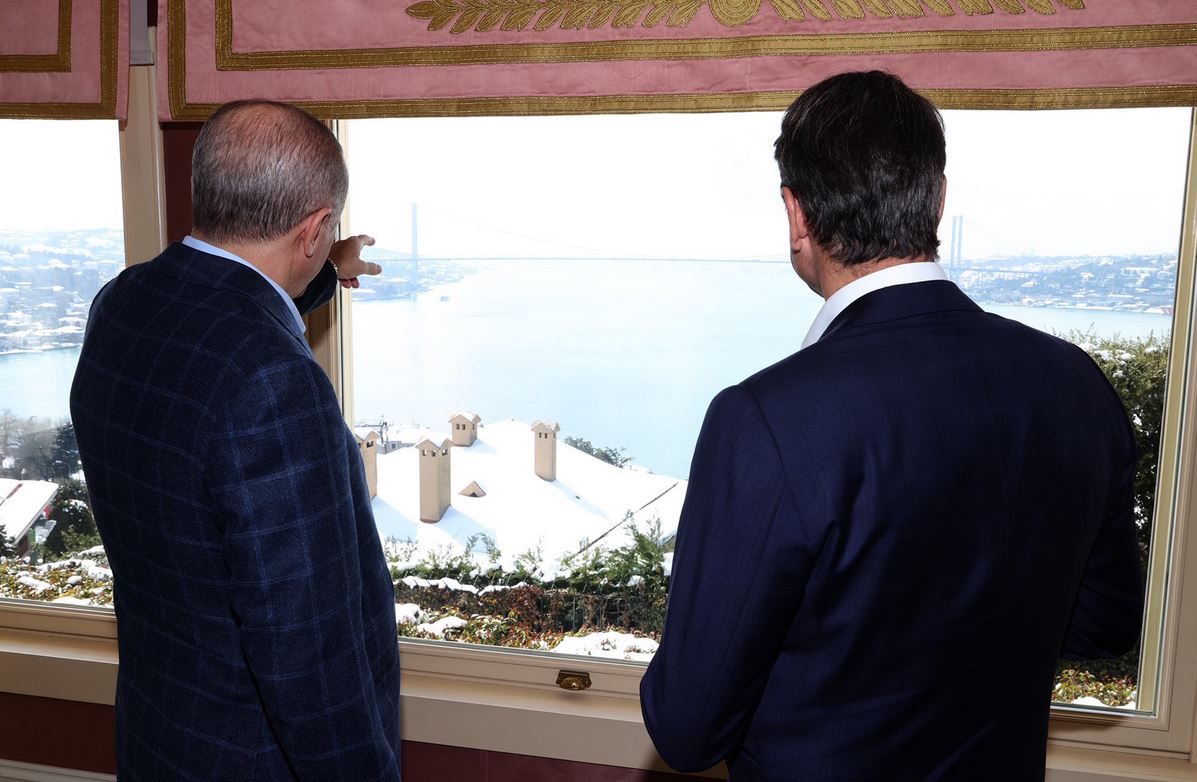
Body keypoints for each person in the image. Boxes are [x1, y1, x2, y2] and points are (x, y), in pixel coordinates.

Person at [640, 71, 1143, 781]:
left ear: (796, 213)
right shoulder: (1075, 382)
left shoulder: (767, 420)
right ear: (937, 200)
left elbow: (688, 729)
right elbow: (1105, 624)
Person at [70, 100, 402, 781]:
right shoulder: (276, 384)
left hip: (159, 737)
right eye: (325, 232)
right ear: (312, 230)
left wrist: (323, 269)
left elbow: (216, 322)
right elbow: (306, 652)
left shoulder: (123, 302)